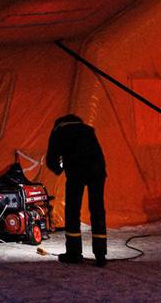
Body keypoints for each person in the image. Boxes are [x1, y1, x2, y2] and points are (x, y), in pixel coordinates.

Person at [46, 113, 108, 266]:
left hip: (76, 171)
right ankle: (100, 255)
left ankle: (73, 253)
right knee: (97, 209)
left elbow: (51, 160)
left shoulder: (59, 131)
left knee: (72, 210)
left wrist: (59, 168)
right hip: (97, 170)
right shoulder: (87, 130)